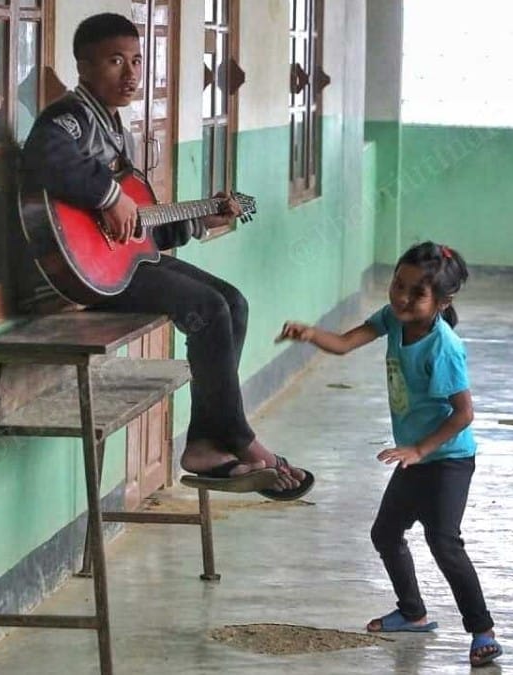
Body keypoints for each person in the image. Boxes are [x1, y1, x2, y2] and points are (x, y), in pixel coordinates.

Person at [16, 13, 313, 500]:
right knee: (208, 310)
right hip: (88, 275)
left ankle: (201, 443)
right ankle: (238, 438)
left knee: (232, 302)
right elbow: (44, 156)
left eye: (136, 60)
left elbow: (142, 230)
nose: (131, 73)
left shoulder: (117, 128)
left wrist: (202, 218)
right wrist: (108, 197)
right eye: (115, 61)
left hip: (125, 262)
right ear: (84, 67)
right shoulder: (69, 116)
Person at [276, 242, 502, 667]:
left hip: (447, 459)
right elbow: (344, 343)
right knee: (385, 534)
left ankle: (482, 631)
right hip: (413, 457)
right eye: (398, 285)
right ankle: (413, 613)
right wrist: (310, 333)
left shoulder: (444, 347)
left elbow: (464, 413)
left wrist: (420, 448)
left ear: (441, 301)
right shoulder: (392, 321)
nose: (401, 297)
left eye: (416, 293)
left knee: (444, 543)